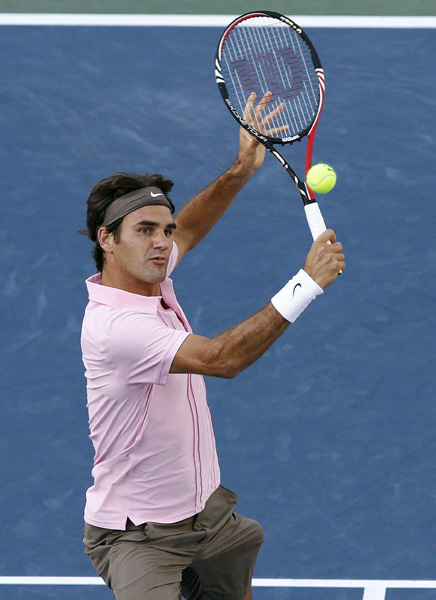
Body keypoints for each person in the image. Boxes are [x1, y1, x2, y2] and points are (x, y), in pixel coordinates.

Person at [80, 93, 345, 600]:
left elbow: (193, 227)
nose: (162, 243)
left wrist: (241, 168)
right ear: (107, 239)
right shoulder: (116, 328)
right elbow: (222, 360)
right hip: (141, 536)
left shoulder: (146, 276)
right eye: (144, 231)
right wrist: (306, 282)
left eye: (164, 230)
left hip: (210, 516)